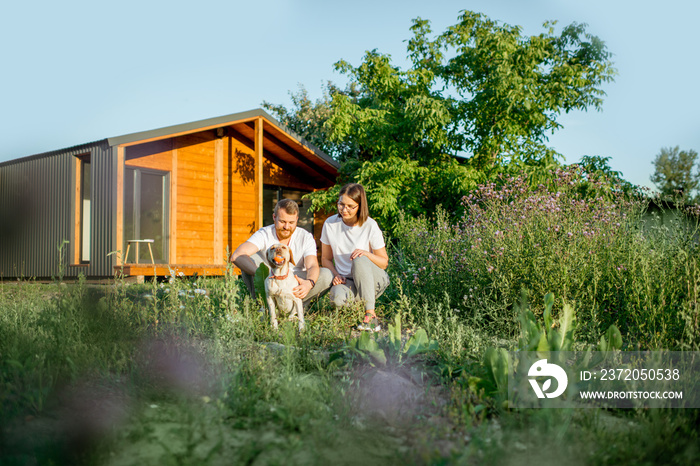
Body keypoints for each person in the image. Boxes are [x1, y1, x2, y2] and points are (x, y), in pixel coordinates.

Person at [231, 198, 332, 305]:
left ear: (297, 219)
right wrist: (265, 275)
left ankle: (295, 308)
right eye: (282, 221)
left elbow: (312, 265)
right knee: (250, 258)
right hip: (270, 280)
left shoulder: (305, 237)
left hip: (295, 280)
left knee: (326, 275)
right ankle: (264, 305)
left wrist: (308, 283)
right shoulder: (264, 233)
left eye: (291, 222)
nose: (286, 227)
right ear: (274, 217)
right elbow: (237, 256)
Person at [321, 183, 389, 331]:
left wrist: (366, 254)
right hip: (348, 282)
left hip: (374, 279)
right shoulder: (330, 224)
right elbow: (325, 259)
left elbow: (384, 263)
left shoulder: (370, 225)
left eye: (350, 206)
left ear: (360, 206)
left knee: (359, 258)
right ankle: (361, 300)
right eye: (341, 204)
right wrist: (336, 274)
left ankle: (370, 315)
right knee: (337, 299)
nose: (344, 210)